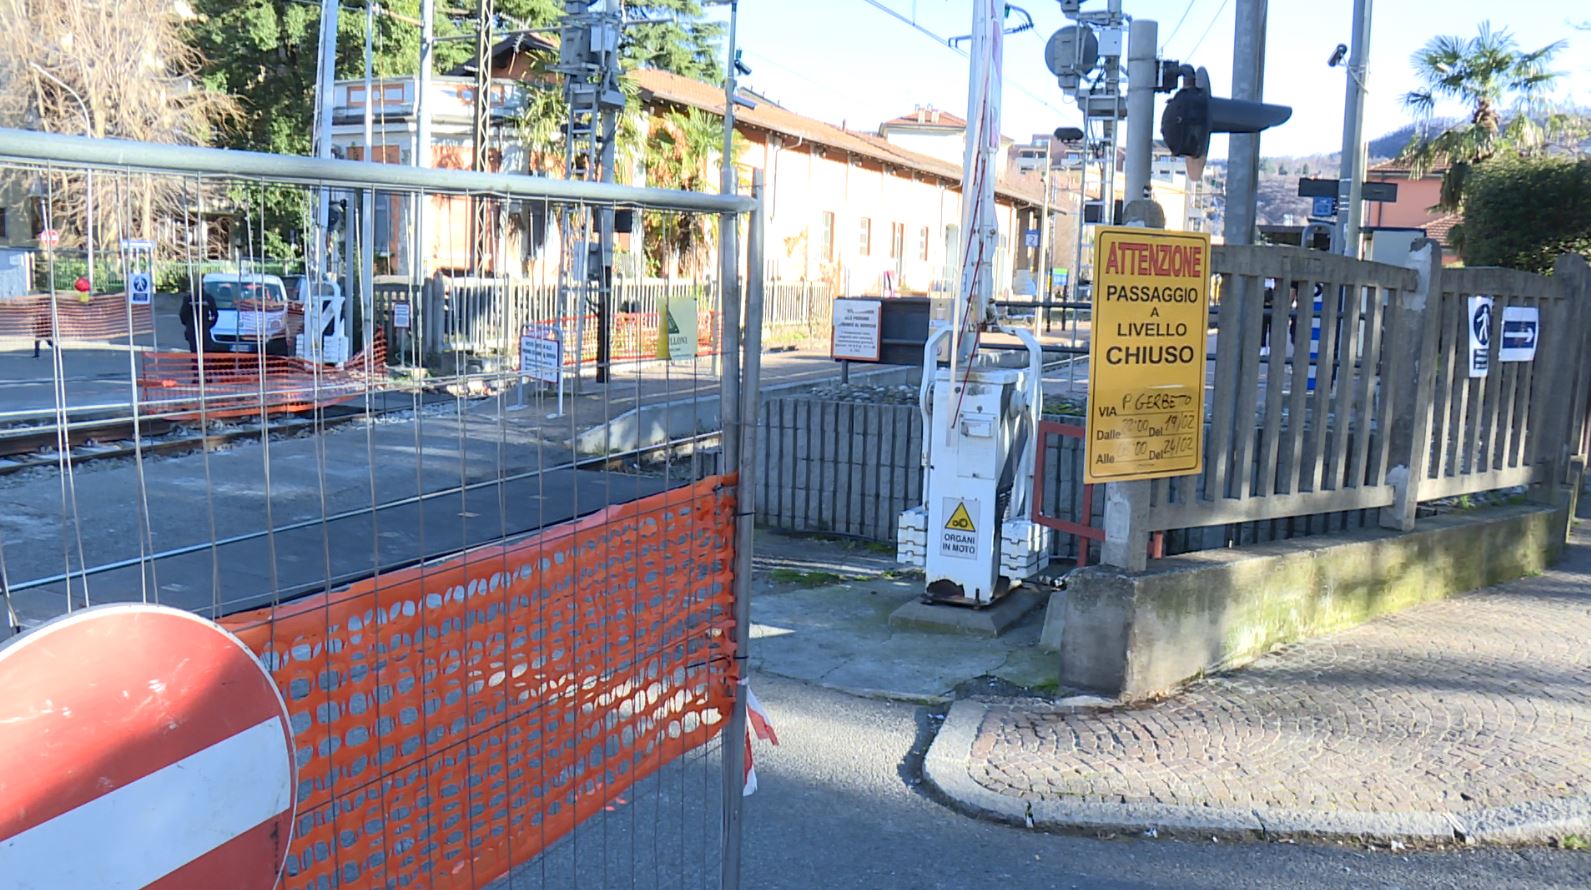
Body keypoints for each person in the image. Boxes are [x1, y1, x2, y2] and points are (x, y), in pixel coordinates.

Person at [180, 284, 219, 354]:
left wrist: (188, 324)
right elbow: (215, 315)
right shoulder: (208, 298)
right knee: (205, 353)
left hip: (194, 329)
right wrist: (209, 325)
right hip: (202, 328)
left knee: (195, 353)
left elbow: (182, 315)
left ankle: (197, 364)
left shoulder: (188, 298)